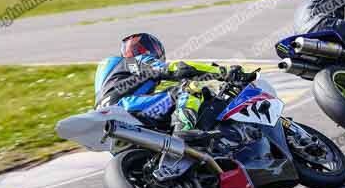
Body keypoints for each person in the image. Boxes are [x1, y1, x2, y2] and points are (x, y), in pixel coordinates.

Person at [94, 33, 256, 136]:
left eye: (137, 47)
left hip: (106, 123)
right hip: (126, 107)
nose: (134, 51)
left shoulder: (111, 70)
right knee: (189, 88)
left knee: (167, 111)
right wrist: (223, 72)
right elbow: (178, 69)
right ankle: (185, 132)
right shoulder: (136, 61)